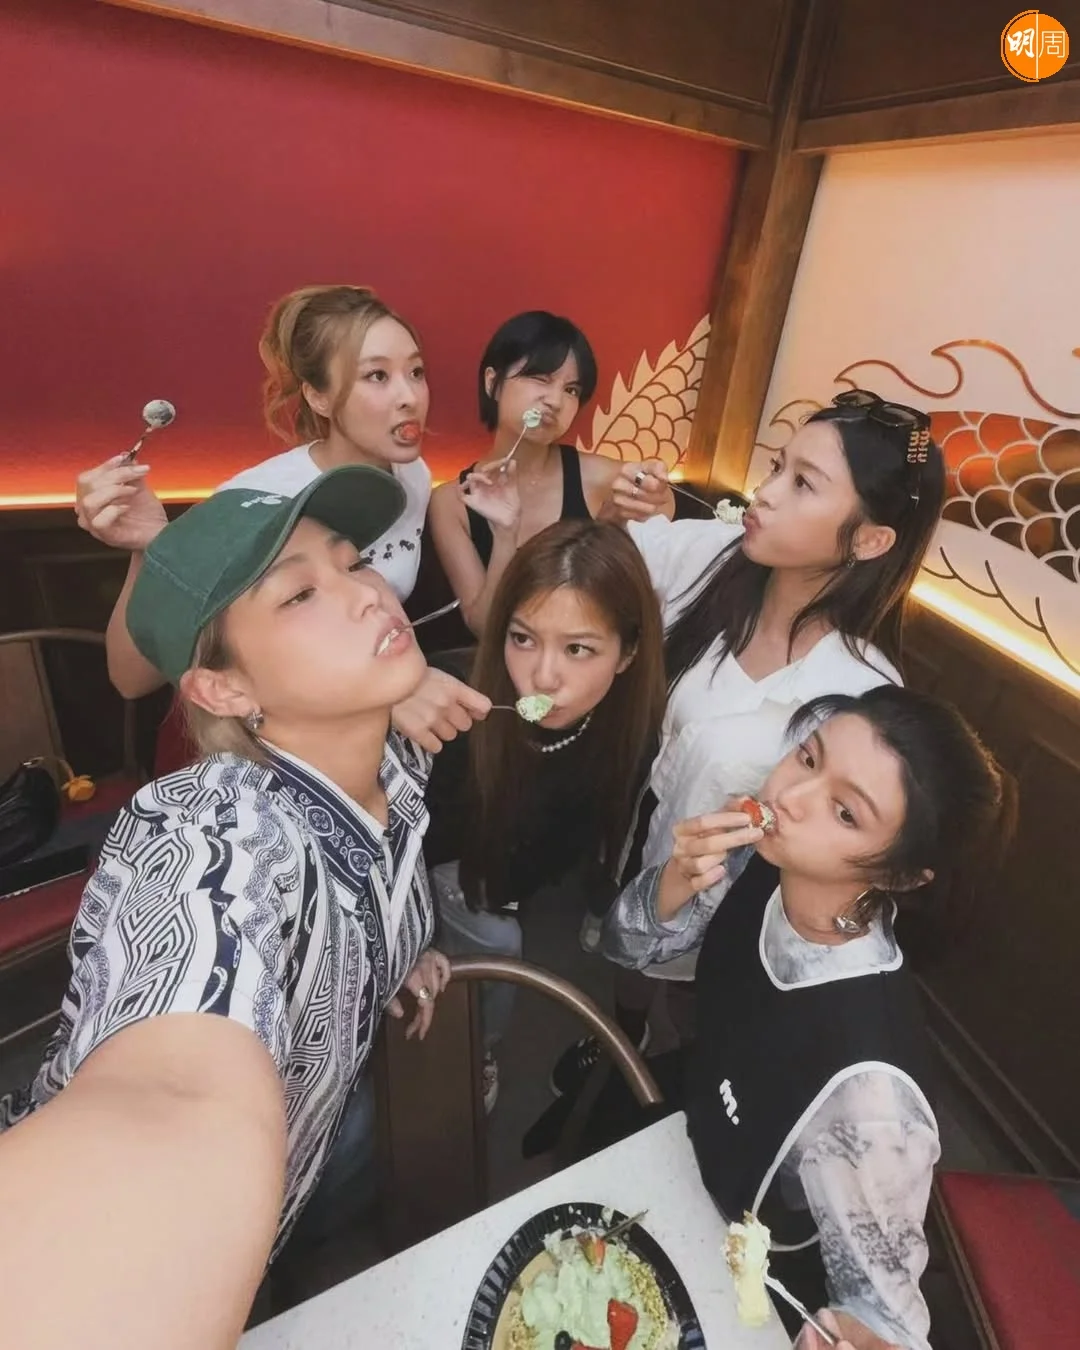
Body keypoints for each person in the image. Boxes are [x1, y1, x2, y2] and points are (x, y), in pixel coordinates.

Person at [0, 466, 452, 1349]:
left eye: (353, 562)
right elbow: (175, 1092)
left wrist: (402, 952)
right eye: (299, 595)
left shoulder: (399, 762)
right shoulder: (210, 834)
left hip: (293, 1185)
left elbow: (371, 886)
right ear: (224, 690)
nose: (367, 594)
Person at [550, 390, 948, 1095]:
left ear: (869, 540)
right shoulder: (713, 556)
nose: (764, 493)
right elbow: (605, 560)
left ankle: (663, 1068)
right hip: (641, 815)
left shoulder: (860, 689)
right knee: (627, 952)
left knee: (694, 1000)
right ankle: (620, 1036)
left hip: (738, 883)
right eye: (777, 467)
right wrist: (618, 512)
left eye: (803, 484)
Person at [597, 686, 1015, 1350]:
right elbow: (625, 947)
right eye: (808, 757)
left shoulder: (870, 1098)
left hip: (747, 1273)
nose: (792, 796)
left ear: (901, 876)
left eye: (845, 812)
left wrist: (853, 1336)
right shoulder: (756, 859)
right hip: (688, 1136)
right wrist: (675, 879)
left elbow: (891, 1321)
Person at [76, 285, 434, 699]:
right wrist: (155, 546)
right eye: (377, 376)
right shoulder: (256, 497)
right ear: (317, 397)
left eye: (416, 372)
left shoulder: (413, 474)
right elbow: (131, 679)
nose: (410, 397)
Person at [423, 519, 666, 1109]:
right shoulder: (449, 709)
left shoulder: (632, 728)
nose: (542, 676)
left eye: (578, 648)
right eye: (522, 638)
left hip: (529, 871)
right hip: (447, 872)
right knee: (497, 941)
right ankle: (478, 1048)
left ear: (629, 653)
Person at [428, 310, 674, 634]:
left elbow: (663, 508)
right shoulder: (452, 501)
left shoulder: (600, 478)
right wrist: (505, 535)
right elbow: (484, 626)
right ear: (492, 383)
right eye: (540, 378)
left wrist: (637, 504)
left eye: (571, 390)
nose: (555, 401)